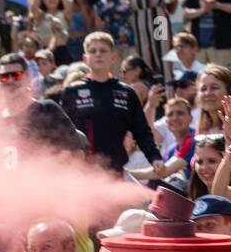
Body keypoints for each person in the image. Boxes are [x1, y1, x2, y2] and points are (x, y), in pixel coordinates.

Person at [61, 32, 167, 175]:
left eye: (103, 51)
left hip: (115, 172)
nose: (98, 54)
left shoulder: (126, 93)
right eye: (93, 51)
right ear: (85, 59)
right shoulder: (72, 91)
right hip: (81, 173)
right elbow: (61, 133)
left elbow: (142, 132)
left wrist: (154, 158)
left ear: (113, 58)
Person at [182, 0, 231, 65]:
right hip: (198, 46)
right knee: (200, 75)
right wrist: (203, 10)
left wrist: (216, 5)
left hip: (222, 45)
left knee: (222, 75)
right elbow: (185, 12)